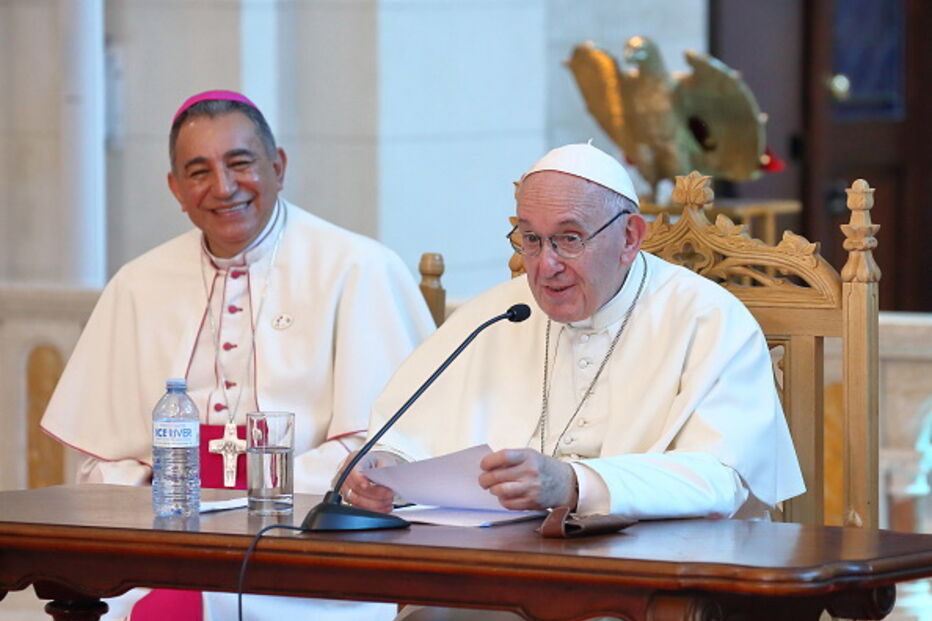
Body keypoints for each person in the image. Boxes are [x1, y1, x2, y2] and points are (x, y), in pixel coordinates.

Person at [344, 143, 805, 621]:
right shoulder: (498, 313)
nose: (545, 266)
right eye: (531, 239)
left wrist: (572, 484)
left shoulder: (706, 317)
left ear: (630, 237)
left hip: (653, 582)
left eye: (569, 239)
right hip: (498, 574)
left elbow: (723, 478)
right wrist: (387, 471)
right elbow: (405, 438)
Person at [41, 90, 435, 621]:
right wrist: (172, 496)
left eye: (240, 163)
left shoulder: (359, 268)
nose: (224, 187)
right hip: (167, 546)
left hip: (313, 548)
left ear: (278, 166)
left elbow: (388, 448)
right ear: (176, 189)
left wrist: (247, 494)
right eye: (199, 171)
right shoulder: (137, 284)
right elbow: (101, 461)